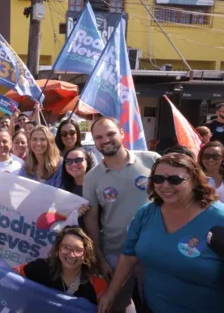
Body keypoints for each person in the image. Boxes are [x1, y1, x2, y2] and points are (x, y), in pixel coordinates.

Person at [98, 153, 224, 313]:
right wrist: (112, 292)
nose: (165, 185)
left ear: (194, 180)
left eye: (174, 180)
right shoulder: (146, 213)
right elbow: (129, 255)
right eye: (158, 179)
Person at [82, 117, 160, 313]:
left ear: (122, 133)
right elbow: (91, 220)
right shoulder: (91, 177)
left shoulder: (151, 160)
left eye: (110, 134)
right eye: (98, 137)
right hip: (115, 252)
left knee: (157, 305)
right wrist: (100, 258)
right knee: (117, 306)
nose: (105, 140)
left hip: (155, 250)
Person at [15, 226, 107, 305]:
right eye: (66, 247)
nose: (71, 254)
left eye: (78, 250)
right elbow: (9, 276)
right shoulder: (40, 267)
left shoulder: (98, 285)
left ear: (86, 253)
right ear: (58, 248)